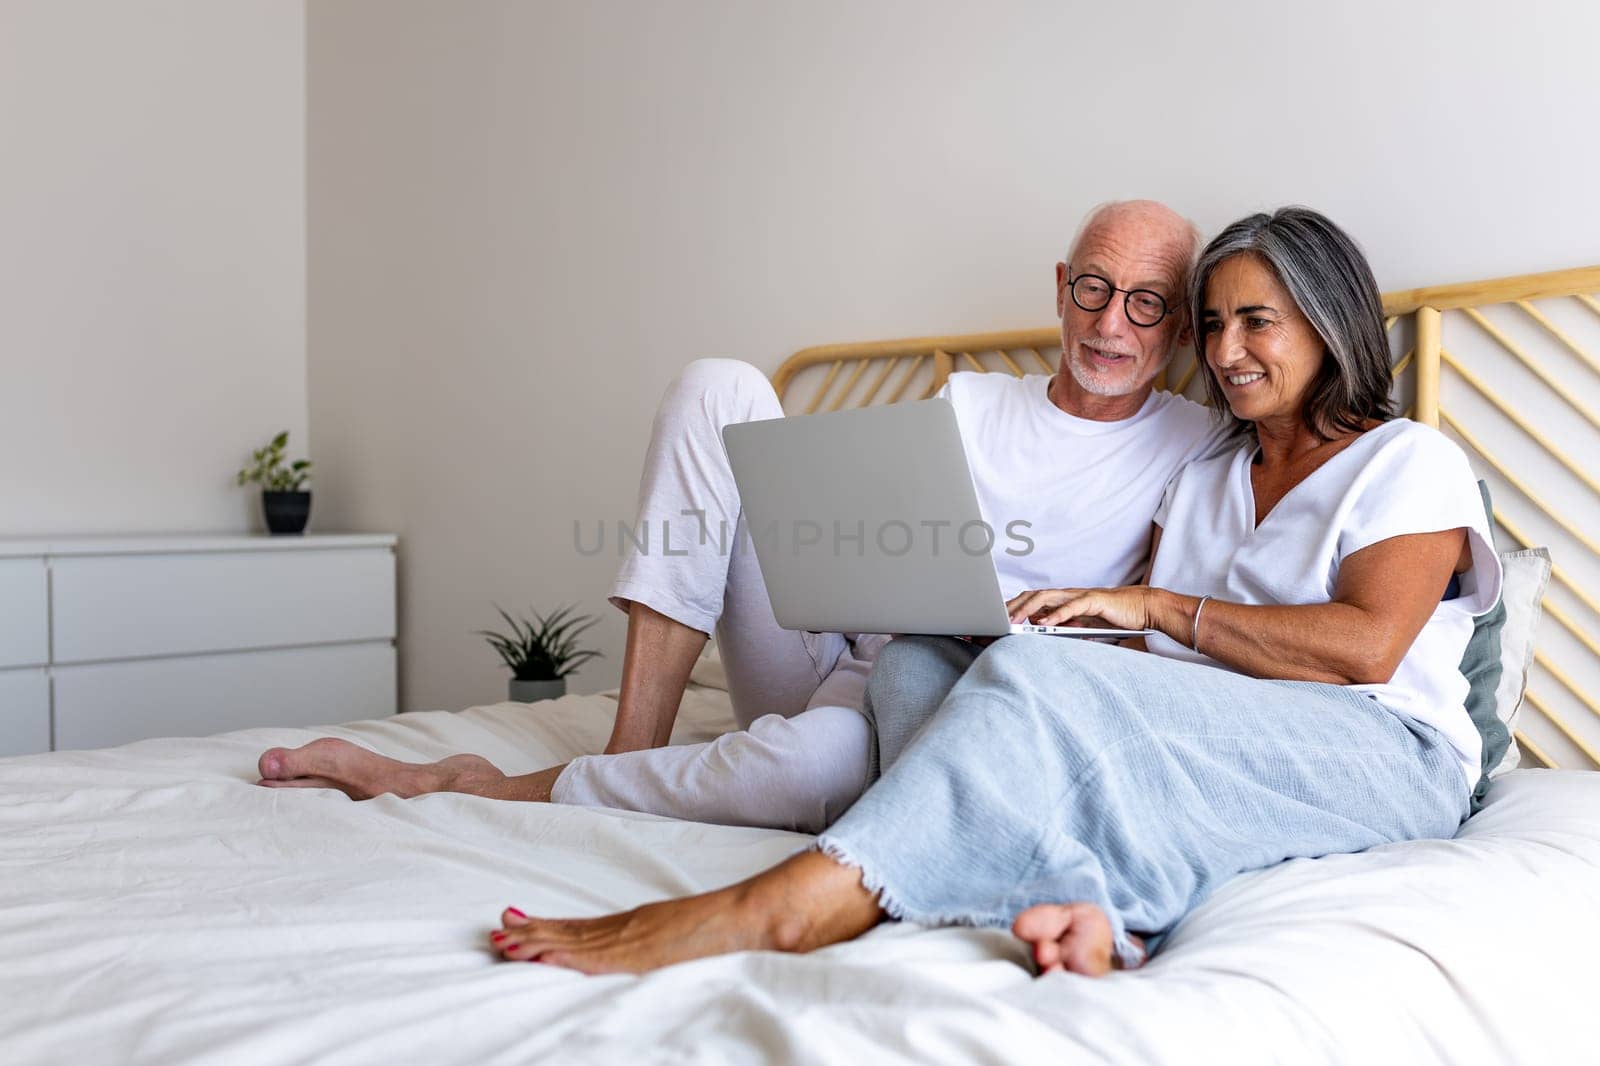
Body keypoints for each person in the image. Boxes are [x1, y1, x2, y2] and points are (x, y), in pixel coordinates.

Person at [484, 206, 1499, 978]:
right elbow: (1149, 677)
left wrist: (1144, 610)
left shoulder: (1405, 460)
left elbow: (1366, 646)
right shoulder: (1206, 477)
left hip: (1374, 744)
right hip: (1214, 735)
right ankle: (1085, 903)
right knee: (938, 655)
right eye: (1217, 322)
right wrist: (1033, 631)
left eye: (1257, 324)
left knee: (1031, 678)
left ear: (1328, 326)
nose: (1228, 351)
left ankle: (793, 900)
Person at [256, 200, 1228, 832]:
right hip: (831, 642)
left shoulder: (1196, 445)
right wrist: (841, 535)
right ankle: (632, 751)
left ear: (1179, 328)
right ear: (1061, 289)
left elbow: (1163, 640)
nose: (1110, 324)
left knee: (807, 773)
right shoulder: (970, 401)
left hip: (932, 698)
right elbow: (862, 506)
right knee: (720, 386)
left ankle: (476, 786)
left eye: (1146, 305)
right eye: (1094, 289)